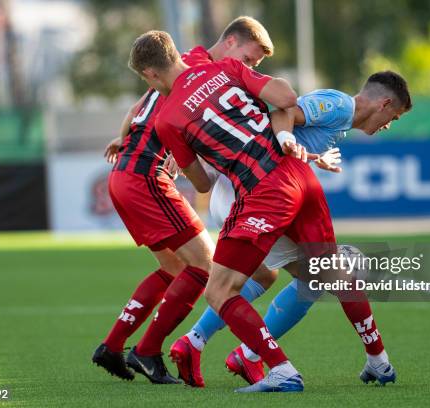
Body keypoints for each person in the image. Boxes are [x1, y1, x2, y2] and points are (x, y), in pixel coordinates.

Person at [129, 29, 337, 392]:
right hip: (297, 176)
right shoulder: (225, 67)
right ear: (175, 53)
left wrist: (194, 156)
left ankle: (280, 369)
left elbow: (203, 184)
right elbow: (287, 97)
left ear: (149, 74)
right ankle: (377, 358)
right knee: (314, 272)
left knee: (219, 290)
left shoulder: (167, 120)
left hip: (259, 191)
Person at [175, 73, 412, 387]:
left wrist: (310, 156)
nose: (387, 125)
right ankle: (251, 354)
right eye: (392, 117)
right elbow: (285, 111)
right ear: (383, 104)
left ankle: (200, 343)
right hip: (256, 194)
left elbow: (283, 135)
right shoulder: (340, 105)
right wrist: (287, 139)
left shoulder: (340, 121)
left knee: (268, 276)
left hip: (256, 191)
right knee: (326, 275)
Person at [92, 16, 278, 385]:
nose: (251, 66)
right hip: (147, 177)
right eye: (250, 57)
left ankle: (113, 346)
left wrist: (123, 137)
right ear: (229, 42)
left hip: (127, 174)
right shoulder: (199, 74)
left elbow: (136, 110)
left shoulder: (184, 63)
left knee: (175, 269)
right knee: (203, 267)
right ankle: (147, 352)